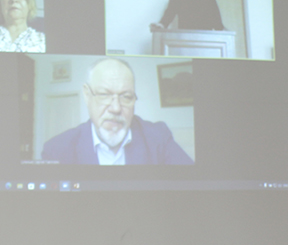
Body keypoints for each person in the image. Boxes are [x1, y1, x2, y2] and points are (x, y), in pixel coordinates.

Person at [41, 58, 193, 165]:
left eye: (126, 97)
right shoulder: (56, 150)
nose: (116, 108)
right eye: (104, 95)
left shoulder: (158, 138)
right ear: (87, 95)